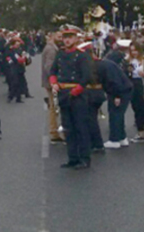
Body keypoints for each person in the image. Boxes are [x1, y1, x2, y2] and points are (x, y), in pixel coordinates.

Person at [49, 26, 92, 169]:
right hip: (63, 93)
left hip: (77, 94)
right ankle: (72, 157)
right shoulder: (60, 54)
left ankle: (84, 158)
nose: (67, 40)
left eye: (70, 37)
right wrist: (54, 83)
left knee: (81, 127)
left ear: (76, 39)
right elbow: (53, 71)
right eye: (65, 37)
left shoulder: (82, 55)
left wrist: (75, 91)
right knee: (68, 128)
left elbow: (86, 77)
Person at [99, 40, 133, 149]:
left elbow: (114, 81)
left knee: (115, 114)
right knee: (119, 114)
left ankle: (114, 140)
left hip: (119, 91)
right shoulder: (110, 62)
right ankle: (122, 137)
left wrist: (117, 96)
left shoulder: (106, 63)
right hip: (125, 88)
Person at [127, 42, 144, 144]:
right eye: (131, 50)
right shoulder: (128, 60)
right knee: (136, 109)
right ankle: (140, 132)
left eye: (135, 50)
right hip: (133, 85)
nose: (134, 52)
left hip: (143, 85)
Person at [42, 31, 62, 143]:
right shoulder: (51, 49)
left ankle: (54, 131)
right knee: (54, 107)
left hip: (50, 82)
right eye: (58, 36)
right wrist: (56, 79)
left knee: (53, 107)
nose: (61, 38)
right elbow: (49, 67)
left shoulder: (52, 47)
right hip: (51, 83)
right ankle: (54, 132)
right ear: (53, 36)